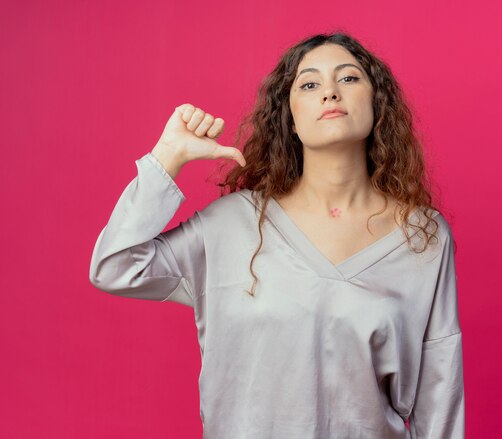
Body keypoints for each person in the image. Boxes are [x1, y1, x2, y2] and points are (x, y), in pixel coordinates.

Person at [89, 32, 465, 439]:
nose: (330, 93)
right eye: (309, 84)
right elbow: (116, 267)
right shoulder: (229, 225)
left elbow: (438, 395)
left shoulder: (423, 237)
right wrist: (168, 157)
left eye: (350, 78)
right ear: (290, 117)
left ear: (377, 103)